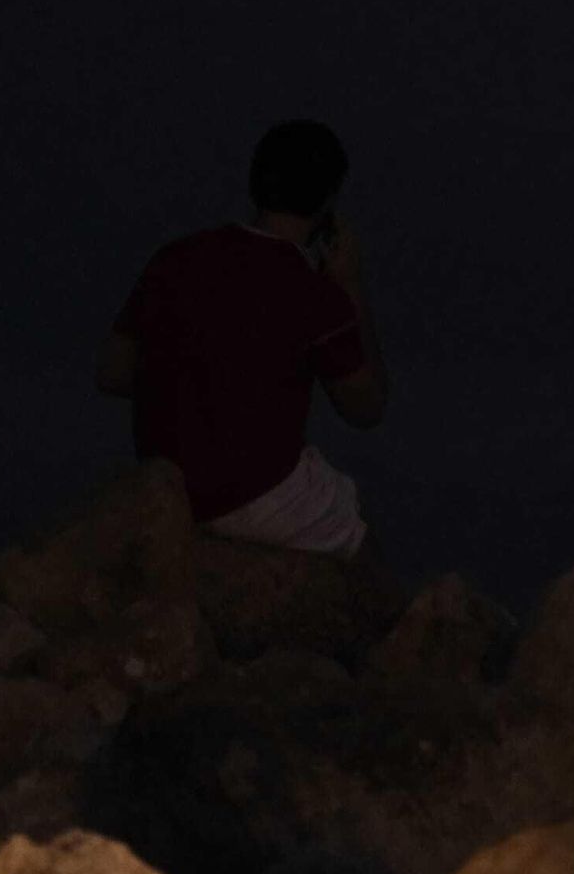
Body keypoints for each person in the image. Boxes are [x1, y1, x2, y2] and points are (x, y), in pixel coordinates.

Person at [94, 119, 393, 586]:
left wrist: (198, 382)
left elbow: (111, 372)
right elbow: (367, 407)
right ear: (328, 202)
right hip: (256, 489)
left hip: (169, 483)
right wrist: (352, 286)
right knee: (357, 532)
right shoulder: (315, 295)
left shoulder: (174, 259)